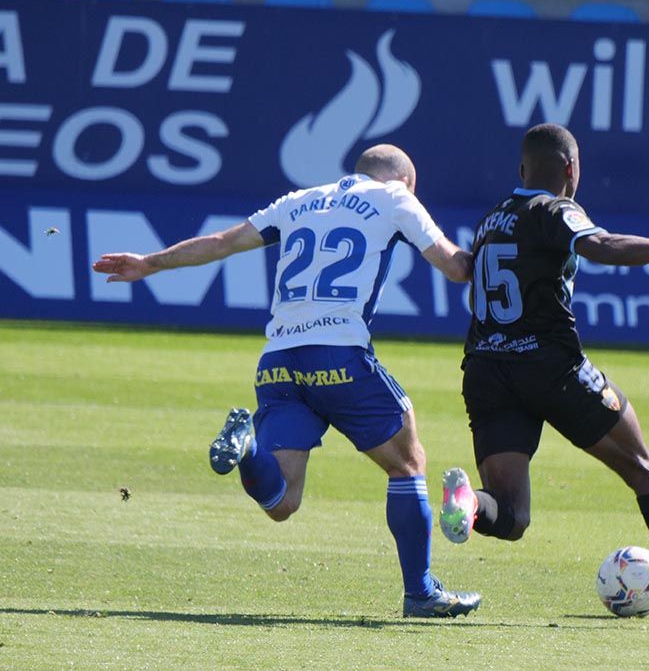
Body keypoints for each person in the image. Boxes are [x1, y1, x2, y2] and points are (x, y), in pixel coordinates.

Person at [93, 144, 481, 619]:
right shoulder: (396, 198)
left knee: (282, 501)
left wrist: (150, 263)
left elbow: (222, 242)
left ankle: (248, 450)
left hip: (277, 361)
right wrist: (505, 248)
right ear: (404, 181)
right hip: (338, 355)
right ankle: (420, 592)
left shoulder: (298, 201)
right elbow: (457, 267)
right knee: (407, 463)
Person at [438, 123, 649, 630]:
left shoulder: (490, 219)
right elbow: (604, 246)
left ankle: (469, 503)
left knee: (511, 515)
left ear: (522, 169)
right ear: (571, 169)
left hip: (486, 370)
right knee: (643, 468)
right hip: (552, 368)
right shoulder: (555, 209)